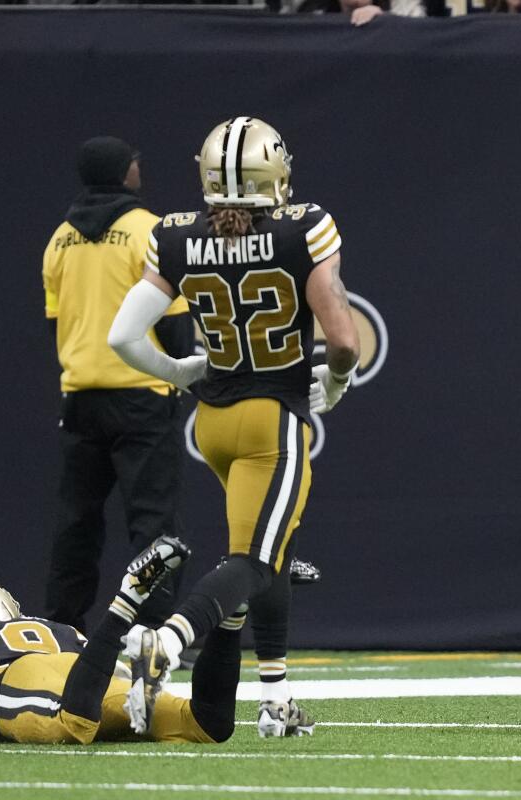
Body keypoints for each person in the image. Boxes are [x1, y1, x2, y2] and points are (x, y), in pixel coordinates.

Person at [107, 116, 360, 736]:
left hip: (213, 421)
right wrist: (332, 383)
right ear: (273, 171)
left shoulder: (175, 236)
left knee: (271, 553)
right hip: (272, 421)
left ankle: (274, 698)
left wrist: (180, 371)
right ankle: (165, 643)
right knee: (254, 559)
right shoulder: (306, 228)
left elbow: (120, 335)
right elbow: (346, 343)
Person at [0, 536, 247, 744]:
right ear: (8, 606)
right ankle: (233, 613)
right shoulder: (57, 629)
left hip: (18, 681)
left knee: (73, 725)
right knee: (208, 724)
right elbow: (115, 670)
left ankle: (126, 599)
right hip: (85, 670)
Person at [42, 136, 195, 633]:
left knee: (76, 522)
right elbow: (173, 321)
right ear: (121, 171)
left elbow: (55, 321)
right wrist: (180, 371)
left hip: (81, 397)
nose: (138, 166)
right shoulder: (148, 231)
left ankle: (63, 625)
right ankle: (154, 628)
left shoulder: (60, 238)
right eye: (134, 160)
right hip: (142, 395)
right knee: (152, 522)